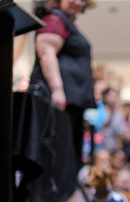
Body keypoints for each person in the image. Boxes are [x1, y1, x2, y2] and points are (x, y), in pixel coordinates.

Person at [29, 0, 96, 167]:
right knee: (58, 159)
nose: (77, 2)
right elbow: (46, 52)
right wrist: (57, 90)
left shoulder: (66, 22)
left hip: (70, 104)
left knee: (69, 159)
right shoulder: (55, 19)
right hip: (60, 103)